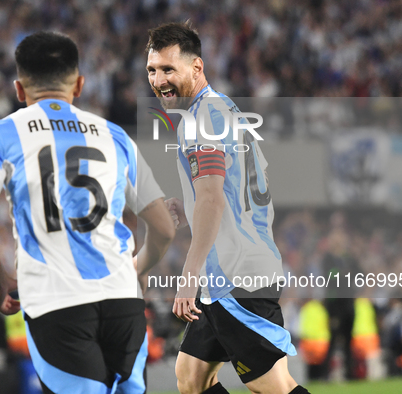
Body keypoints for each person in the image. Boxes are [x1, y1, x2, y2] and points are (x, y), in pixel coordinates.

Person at [0, 31, 175, 394]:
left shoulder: (0, 135)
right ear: (79, 85)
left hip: (56, 301)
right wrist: (137, 269)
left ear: (18, 89)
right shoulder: (115, 137)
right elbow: (164, 227)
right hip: (122, 300)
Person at [145, 22, 310, 394]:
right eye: (153, 70)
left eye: (169, 69)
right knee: (191, 377)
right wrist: (189, 207)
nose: (158, 80)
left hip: (235, 276)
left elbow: (213, 197)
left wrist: (188, 273)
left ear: (197, 67)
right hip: (232, 270)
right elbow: (245, 187)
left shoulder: (202, 119)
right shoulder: (223, 109)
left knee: (273, 387)